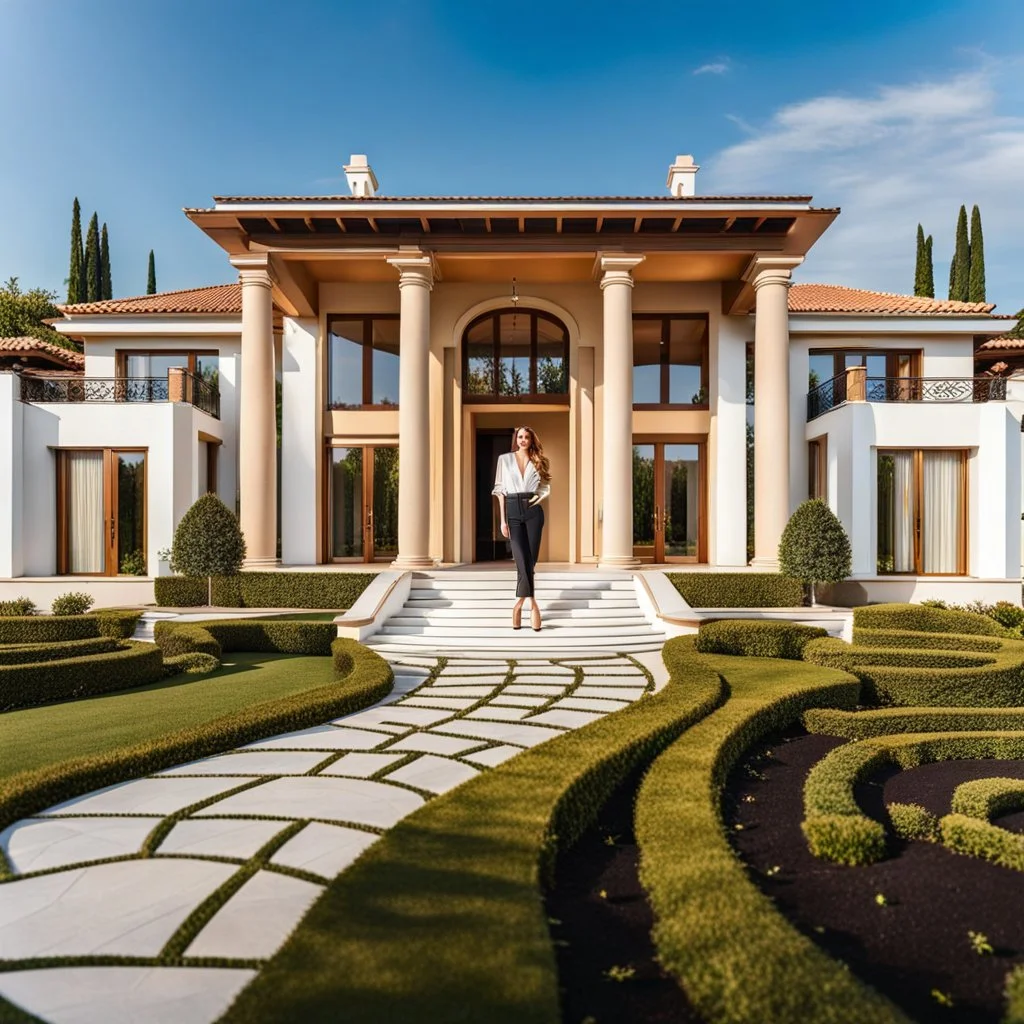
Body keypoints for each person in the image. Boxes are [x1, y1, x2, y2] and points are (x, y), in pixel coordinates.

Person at [492, 425, 551, 631]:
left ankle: (520, 606)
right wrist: (503, 520)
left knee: (530, 560)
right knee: (521, 559)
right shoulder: (504, 459)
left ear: (531, 440)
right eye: (520, 437)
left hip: (533, 511)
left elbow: (545, 488)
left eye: (526, 437)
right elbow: (500, 491)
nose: (523, 440)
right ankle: (530, 604)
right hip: (513, 510)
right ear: (516, 439)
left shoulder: (539, 461)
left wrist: (537, 499)